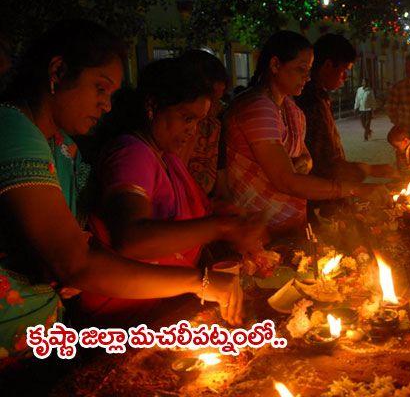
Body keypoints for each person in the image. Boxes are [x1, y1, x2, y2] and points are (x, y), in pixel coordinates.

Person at [0, 20, 242, 365]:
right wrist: (198, 281)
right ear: (58, 71)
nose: (106, 105)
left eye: (111, 95)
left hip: (42, 333)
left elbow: (78, 244)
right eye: (100, 89)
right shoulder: (10, 128)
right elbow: (79, 260)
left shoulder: (63, 147)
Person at [79, 57, 264, 322]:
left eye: (198, 121)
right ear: (153, 106)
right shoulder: (132, 153)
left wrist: (231, 217)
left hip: (158, 305)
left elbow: (187, 212)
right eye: (187, 118)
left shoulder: (165, 156)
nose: (192, 131)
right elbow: (131, 238)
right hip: (124, 317)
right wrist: (219, 226)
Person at [214, 31, 387, 234]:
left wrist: (301, 164)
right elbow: (286, 180)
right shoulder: (258, 109)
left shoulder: (290, 107)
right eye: (301, 69)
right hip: (258, 229)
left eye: (309, 70)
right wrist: (356, 188)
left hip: (289, 223)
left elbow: (306, 158)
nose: (307, 77)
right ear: (276, 65)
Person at [297, 33, 397, 183]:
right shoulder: (311, 101)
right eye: (344, 71)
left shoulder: (319, 97)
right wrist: (369, 170)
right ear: (328, 65)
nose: (345, 77)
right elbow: (325, 164)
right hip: (320, 191)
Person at [177, 49, 229, 195]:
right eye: (212, 98)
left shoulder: (214, 126)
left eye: (219, 99)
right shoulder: (171, 134)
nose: (215, 106)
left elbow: (221, 175)